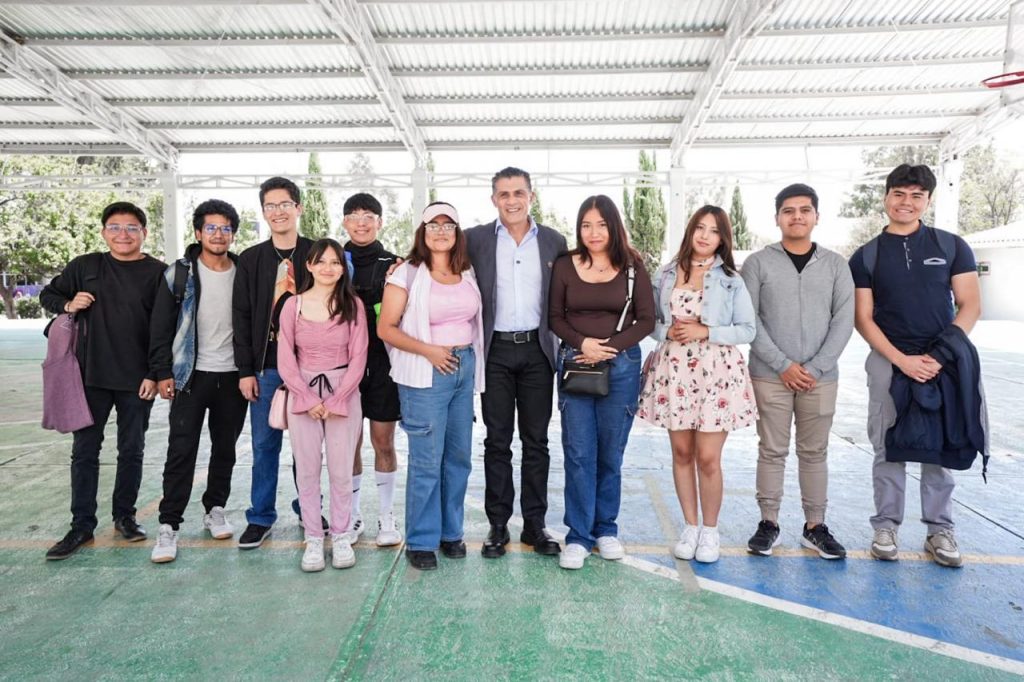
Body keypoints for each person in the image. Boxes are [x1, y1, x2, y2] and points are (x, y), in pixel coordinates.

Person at [849, 164, 983, 568]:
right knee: (887, 444)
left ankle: (939, 530)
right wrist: (901, 360)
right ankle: (885, 527)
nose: (906, 203)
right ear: (886, 197)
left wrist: (940, 355)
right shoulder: (866, 255)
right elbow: (863, 318)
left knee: (939, 445)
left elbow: (970, 306)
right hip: (889, 360)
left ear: (927, 200)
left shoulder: (951, 246)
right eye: (899, 194)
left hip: (943, 360)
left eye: (916, 196)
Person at [40, 201, 166, 560]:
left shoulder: (158, 273)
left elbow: (163, 328)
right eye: (115, 227)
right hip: (89, 378)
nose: (123, 234)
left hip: (137, 381)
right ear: (103, 232)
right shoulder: (85, 266)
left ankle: (125, 517)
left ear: (144, 233)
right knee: (84, 452)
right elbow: (50, 294)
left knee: (132, 450)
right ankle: (81, 525)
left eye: (131, 227)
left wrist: (154, 373)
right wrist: (68, 304)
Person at [740, 185, 855, 560]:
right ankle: (768, 523)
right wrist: (783, 365)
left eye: (805, 210)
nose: (797, 216)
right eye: (788, 211)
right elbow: (749, 320)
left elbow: (844, 321)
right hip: (769, 375)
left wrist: (816, 367)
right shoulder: (758, 263)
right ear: (777, 218)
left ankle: (815, 526)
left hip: (820, 378)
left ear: (817, 216)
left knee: (814, 452)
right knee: (771, 450)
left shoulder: (836, 265)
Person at [637, 205, 757, 564]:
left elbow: (747, 329)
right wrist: (666, 331)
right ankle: (690, 527)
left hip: (715, 373)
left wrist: (706, 331)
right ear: (690, 231)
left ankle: (710, 531)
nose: (705, 236)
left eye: (714, 230)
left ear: (723, 239)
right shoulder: (666, 273)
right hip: (675, 370)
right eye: (700, 228)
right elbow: (649, 321)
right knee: (681, 453)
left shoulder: (731, 279)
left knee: (707, 458)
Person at [465, 167, 568, 559]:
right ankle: (498, 525)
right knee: (497, 440)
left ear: (531, 196)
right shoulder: (474, 239)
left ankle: (535, 524)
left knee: (536, 441)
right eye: (504, 194)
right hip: (495, 351)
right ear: (494, 199)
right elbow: (435, 260)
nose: (512, 201)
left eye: (518, 193)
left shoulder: (554, 241)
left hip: (538, 352)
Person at [548, 194, 655, 570]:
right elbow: (554, 317)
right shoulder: (565, 265)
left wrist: (609, 348)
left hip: (621, 367)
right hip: (576, 364)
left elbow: (647, 319)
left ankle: (606, 529)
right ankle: (578, 536)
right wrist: (584, 344)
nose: (593, 233)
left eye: (601, 225)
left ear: (614, 227)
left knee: (611, 453)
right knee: (579, 453)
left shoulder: (633, 267)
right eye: (586, 225)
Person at [378, 202, 485, 571]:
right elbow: (386, 328)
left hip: (463, 368)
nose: (441, 231)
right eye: (433, 225)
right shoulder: (406, 273)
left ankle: (450, 533)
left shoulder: (466, 271)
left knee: (458, 457)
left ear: (457, 232)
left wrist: (458, 359)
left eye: (448, 225)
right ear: (422, 233)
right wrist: (429, 351)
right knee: (426, 460)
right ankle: (422, 540)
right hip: (426, 372)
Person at [148, 200, 249, 563]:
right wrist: (162, 372)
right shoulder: (179, 274)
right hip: (190, 375)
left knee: (225, 448)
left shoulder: (243, 271)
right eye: (211, 228)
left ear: (232, 234)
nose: (218, 234)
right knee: (181, 450)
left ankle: (215, 508)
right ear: (198, 232)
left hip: (233, 376)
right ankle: (169, 524)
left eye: (225, 228)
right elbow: (161, 326)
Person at [277, 239, 368, 572]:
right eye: (321, 261)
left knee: (342, 470)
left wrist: (338, 398)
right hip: (303, 394)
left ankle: (341, 534)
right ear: (309, 266)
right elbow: (285, 357)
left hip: (344, 392)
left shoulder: (353, 305)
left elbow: (359, 356)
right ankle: (314, 537)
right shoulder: (292, 305)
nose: (328, 268)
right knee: (307, 470)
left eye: (335, 262)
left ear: (343, 269)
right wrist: (306, 397)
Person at [233, 177, 313, 549]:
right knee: (265, 445)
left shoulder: (315, 253)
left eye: (285, 204)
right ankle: (260, 516)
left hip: (309, 368)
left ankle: (309, 510)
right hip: (266, 367)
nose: (278, 212)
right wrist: (245, 370)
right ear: (263, 212)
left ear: (298, 208)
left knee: (306, 447)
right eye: (270, 206)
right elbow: (241, 316)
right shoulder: (251, 259)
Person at [341, 193, 402, 547]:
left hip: (382, 365)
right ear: (344, 222)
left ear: (380, 222)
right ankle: (351, 516)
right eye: (354, 215)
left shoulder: (396, 264)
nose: (361, 222)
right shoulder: (332, 260)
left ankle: (386, 516)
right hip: (342, 364)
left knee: (383, 441)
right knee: (348, 443)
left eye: (368, 215)